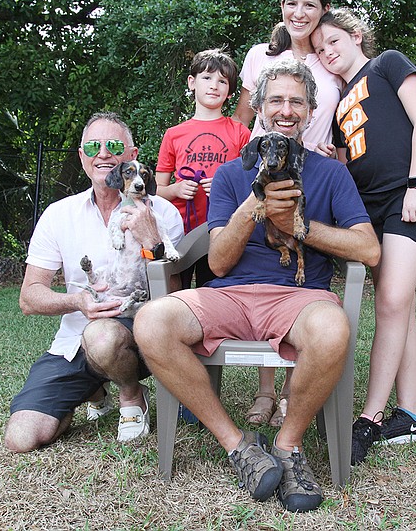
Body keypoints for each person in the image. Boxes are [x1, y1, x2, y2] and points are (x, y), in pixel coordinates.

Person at [134, 58, 380, 512]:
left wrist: (300, 227)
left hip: (300, 298)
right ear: (260, 109)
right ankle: (238, 445)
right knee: (151, 322)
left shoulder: (332, 174)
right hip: (229, 295)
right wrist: (255, 203)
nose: (286, 110)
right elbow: (220, 264)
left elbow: (369, 251)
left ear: (310, 111)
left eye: (296, 102)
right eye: (276, 101)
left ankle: (287, 447)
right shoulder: (230, 174)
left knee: (332, 330)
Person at [311, 8, 416, 465]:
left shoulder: (387, 63)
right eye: (319, 48)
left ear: (355, 35)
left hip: (408, 198)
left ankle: (368, 419)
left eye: (333, 41)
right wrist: (338, 157)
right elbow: (359, 158)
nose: (327, 52)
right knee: (399, 304)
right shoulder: (339, 102)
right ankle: (411, 415)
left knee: (390, 301)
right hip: (372, 210)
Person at [4, 112, 184, 452]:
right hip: (75, 342)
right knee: (22, 438)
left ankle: (131, 396)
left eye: (114, 145)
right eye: (93, 146)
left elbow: (178, 297)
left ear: (131, 155)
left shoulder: (163, 213)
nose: (103, 153)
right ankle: (93, 388)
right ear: (82, 156)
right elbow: (30, 297)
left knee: (102, 336)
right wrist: (77, 302)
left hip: (142, 335)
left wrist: (153, 244)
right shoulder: (59, 215)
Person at [233, 0, 344, 429]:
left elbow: (341, 126)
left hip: (312, 177)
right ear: (282, 6)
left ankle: (297, 392)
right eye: (292, 3)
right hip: (266, 176)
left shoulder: (329, 60)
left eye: (310, 5)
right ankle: (264, 392)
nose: (299, 12)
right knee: (262, 272)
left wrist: (333, 158)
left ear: (323, 12)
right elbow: (241, 123)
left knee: (305, 278)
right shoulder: (261, 55)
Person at [156, 48, 251, 289]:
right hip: (181, 230)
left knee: (217, 290)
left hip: (223, 229)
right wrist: (177, 189)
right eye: (207, 78)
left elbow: (250, 186)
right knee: (176, 290)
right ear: (192, 82)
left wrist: (223, 188)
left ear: (230, 92)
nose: (214, 86)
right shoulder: (173, 134)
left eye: (222, 81)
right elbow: (156, 190)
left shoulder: (240, 133)